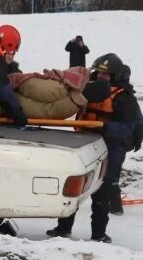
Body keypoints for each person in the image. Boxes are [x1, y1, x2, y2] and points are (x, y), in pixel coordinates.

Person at [46, 54, 140, 243]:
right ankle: (63, 228)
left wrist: (106, 128)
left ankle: (98, 235)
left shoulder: (124, 98)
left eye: (106, 75)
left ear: (114, 75)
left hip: (110, 147)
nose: (101, 77)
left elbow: (127, 128)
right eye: (99, 73)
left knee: (102, 192)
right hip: (85, 142)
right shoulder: (88, 90)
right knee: (74, 187)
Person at [108, 64, 143, 216]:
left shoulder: (125, 97)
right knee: (108, 174)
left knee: (112, 175)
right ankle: (109, 203)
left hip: (120, 142)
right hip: (115, 139)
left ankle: (115, 207)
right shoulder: (112, 93)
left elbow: (135, 122)